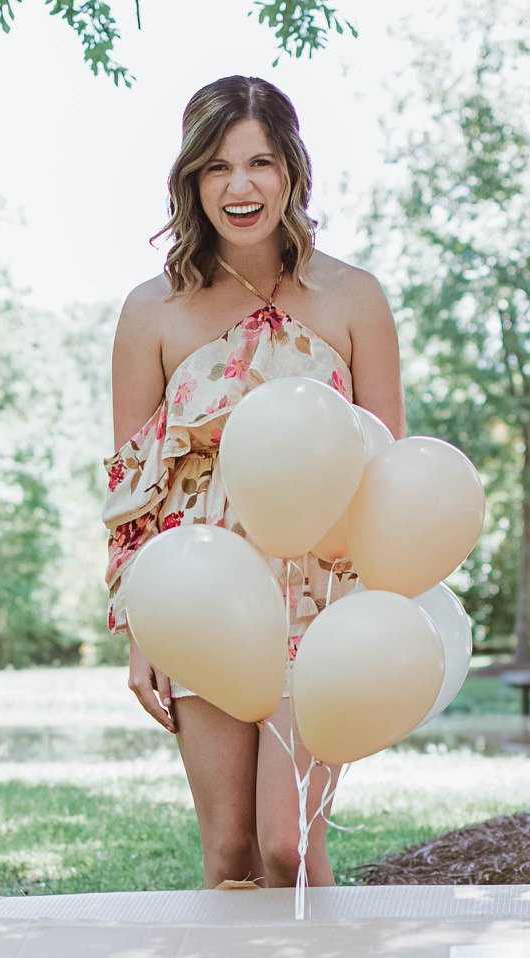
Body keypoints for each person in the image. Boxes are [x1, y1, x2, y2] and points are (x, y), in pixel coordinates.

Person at [101, 75, 404, 890]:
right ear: (192, 181)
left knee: (288, 847)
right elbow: (134, 484)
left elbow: (393, 470)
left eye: (260, 163)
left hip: (323, 586)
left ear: (292, 173)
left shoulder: (353, 298)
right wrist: (142, 630)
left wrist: (384, 616)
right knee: (231, 849)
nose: (241, 187)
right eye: (217, 167)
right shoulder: (152, 311)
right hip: (201, 587)